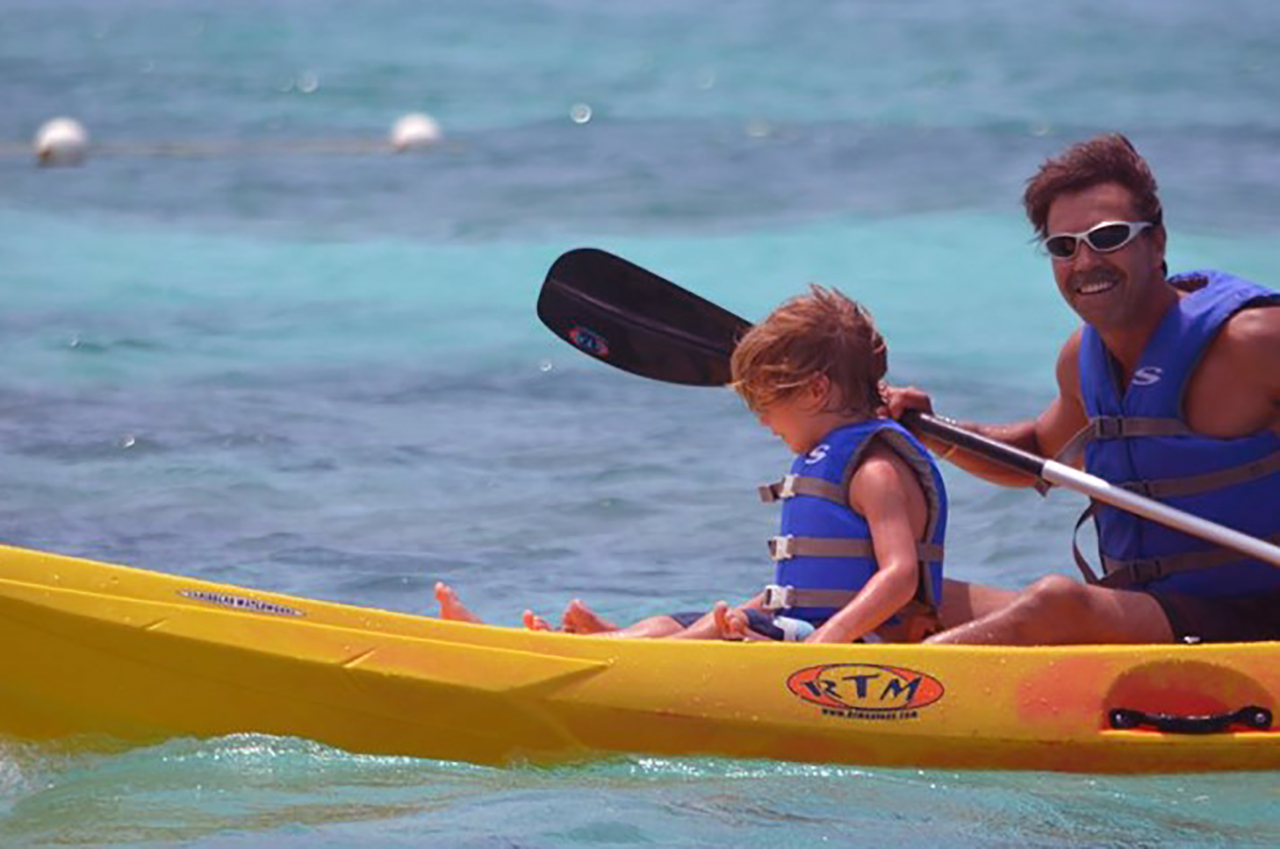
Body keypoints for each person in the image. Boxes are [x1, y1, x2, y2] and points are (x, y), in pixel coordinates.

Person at [884, 133, 1280, 645]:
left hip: (1256, 624)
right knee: (909, 591)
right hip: (1146, 611)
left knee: (1057, 602)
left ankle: (891, 690)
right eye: (1063, 247)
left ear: (1156, 241)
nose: (1086, 261)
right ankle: (777, 642)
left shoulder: (1254, 341)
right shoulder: (1081, 359)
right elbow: (1037, 456)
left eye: (1109, 237)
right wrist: (935, 432)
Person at [440, 286, 951, 644]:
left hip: (850, 651)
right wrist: (740, 613)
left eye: (767, 406)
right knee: (679, 623)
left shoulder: (874, 472)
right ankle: (610, 643)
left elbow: (901, 576)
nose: (763, 422)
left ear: (817, 391)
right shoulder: (840, 461)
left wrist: (828, 643)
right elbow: (795, 592)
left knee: (705, 632)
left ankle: (598, 657)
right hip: (802, 628)